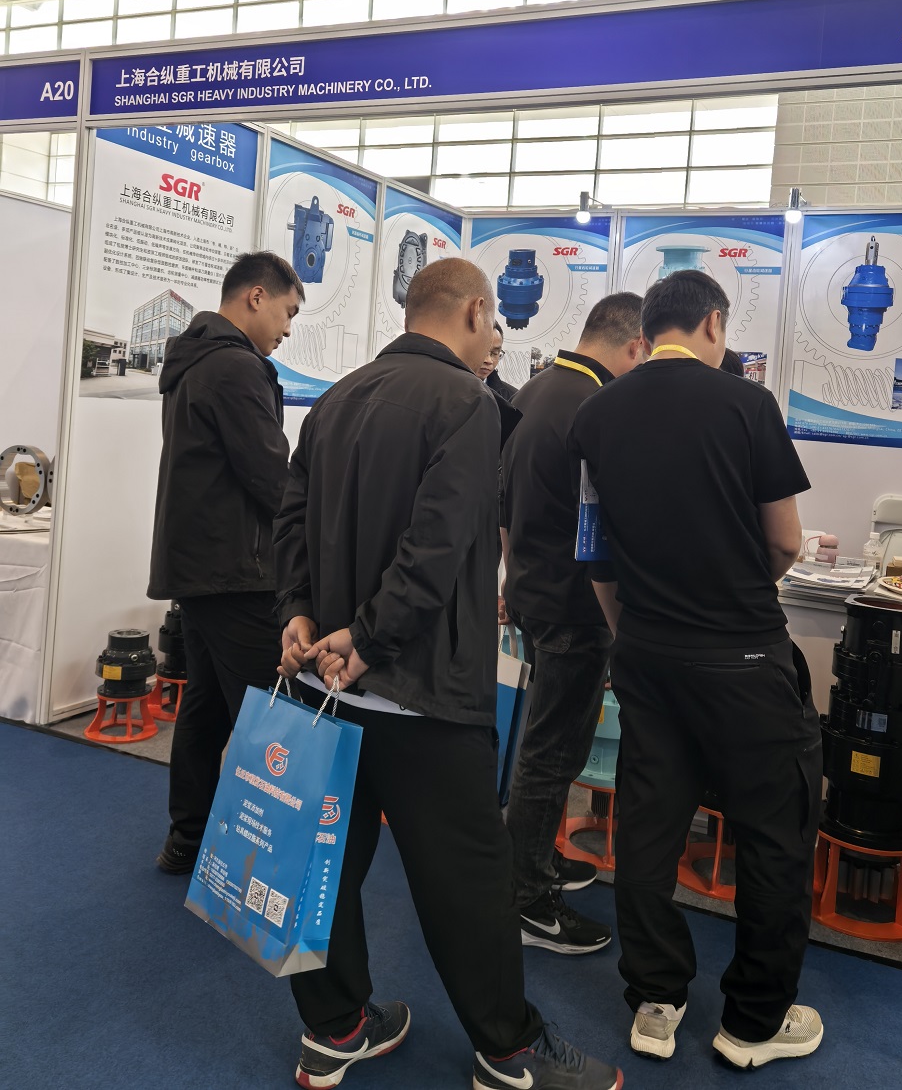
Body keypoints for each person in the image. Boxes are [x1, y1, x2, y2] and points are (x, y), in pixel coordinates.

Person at [273, 258, 620, 1090]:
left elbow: (289, 523)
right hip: (420, 692)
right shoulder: (467, 402)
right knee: (469, 880)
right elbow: (437, 545)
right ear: (474, 311)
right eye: (493, 321)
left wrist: (299, 612)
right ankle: (511, 1051)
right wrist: (372, 636)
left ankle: (334, 1025)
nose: (494, 335)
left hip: (325, 684)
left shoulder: (333, 399)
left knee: (318, 866)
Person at [569, 269, 824, 1071]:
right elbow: (785, 540)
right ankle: (753, 1022)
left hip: (647, 655)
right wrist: (736, 595)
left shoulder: (596, 413)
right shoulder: (748, 404)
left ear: (648, 332)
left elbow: (596, 555)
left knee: (648, 827)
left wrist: (633, 635)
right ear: (714, 324)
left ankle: (655, 998)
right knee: (773, 833)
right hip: (743, 656)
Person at [148, 251, 303, 874]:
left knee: (206, 707)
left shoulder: (193, 359)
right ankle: (264, 860)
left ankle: (187, 841)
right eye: (288, 312)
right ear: (256, 297)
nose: (287, 329)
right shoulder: (236, 367)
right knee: (270, 714)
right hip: (236, 570)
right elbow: (271, 477)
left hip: (200, 567)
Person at [501, 292, 643, 954]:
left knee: (546, 745)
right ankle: (528, 901)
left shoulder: (534, 389)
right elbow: (608, 521)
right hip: (575, 607)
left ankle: (536, 862)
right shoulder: (597, 406)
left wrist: (512, 580)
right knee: (552, 751)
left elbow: (504, 505)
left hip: (534, 591)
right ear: (635, 345)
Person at [476, 321, 517, 402]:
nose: (488, 360)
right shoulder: (449, 391)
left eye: (494, 353)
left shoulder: (513, 398)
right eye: (482, 352)